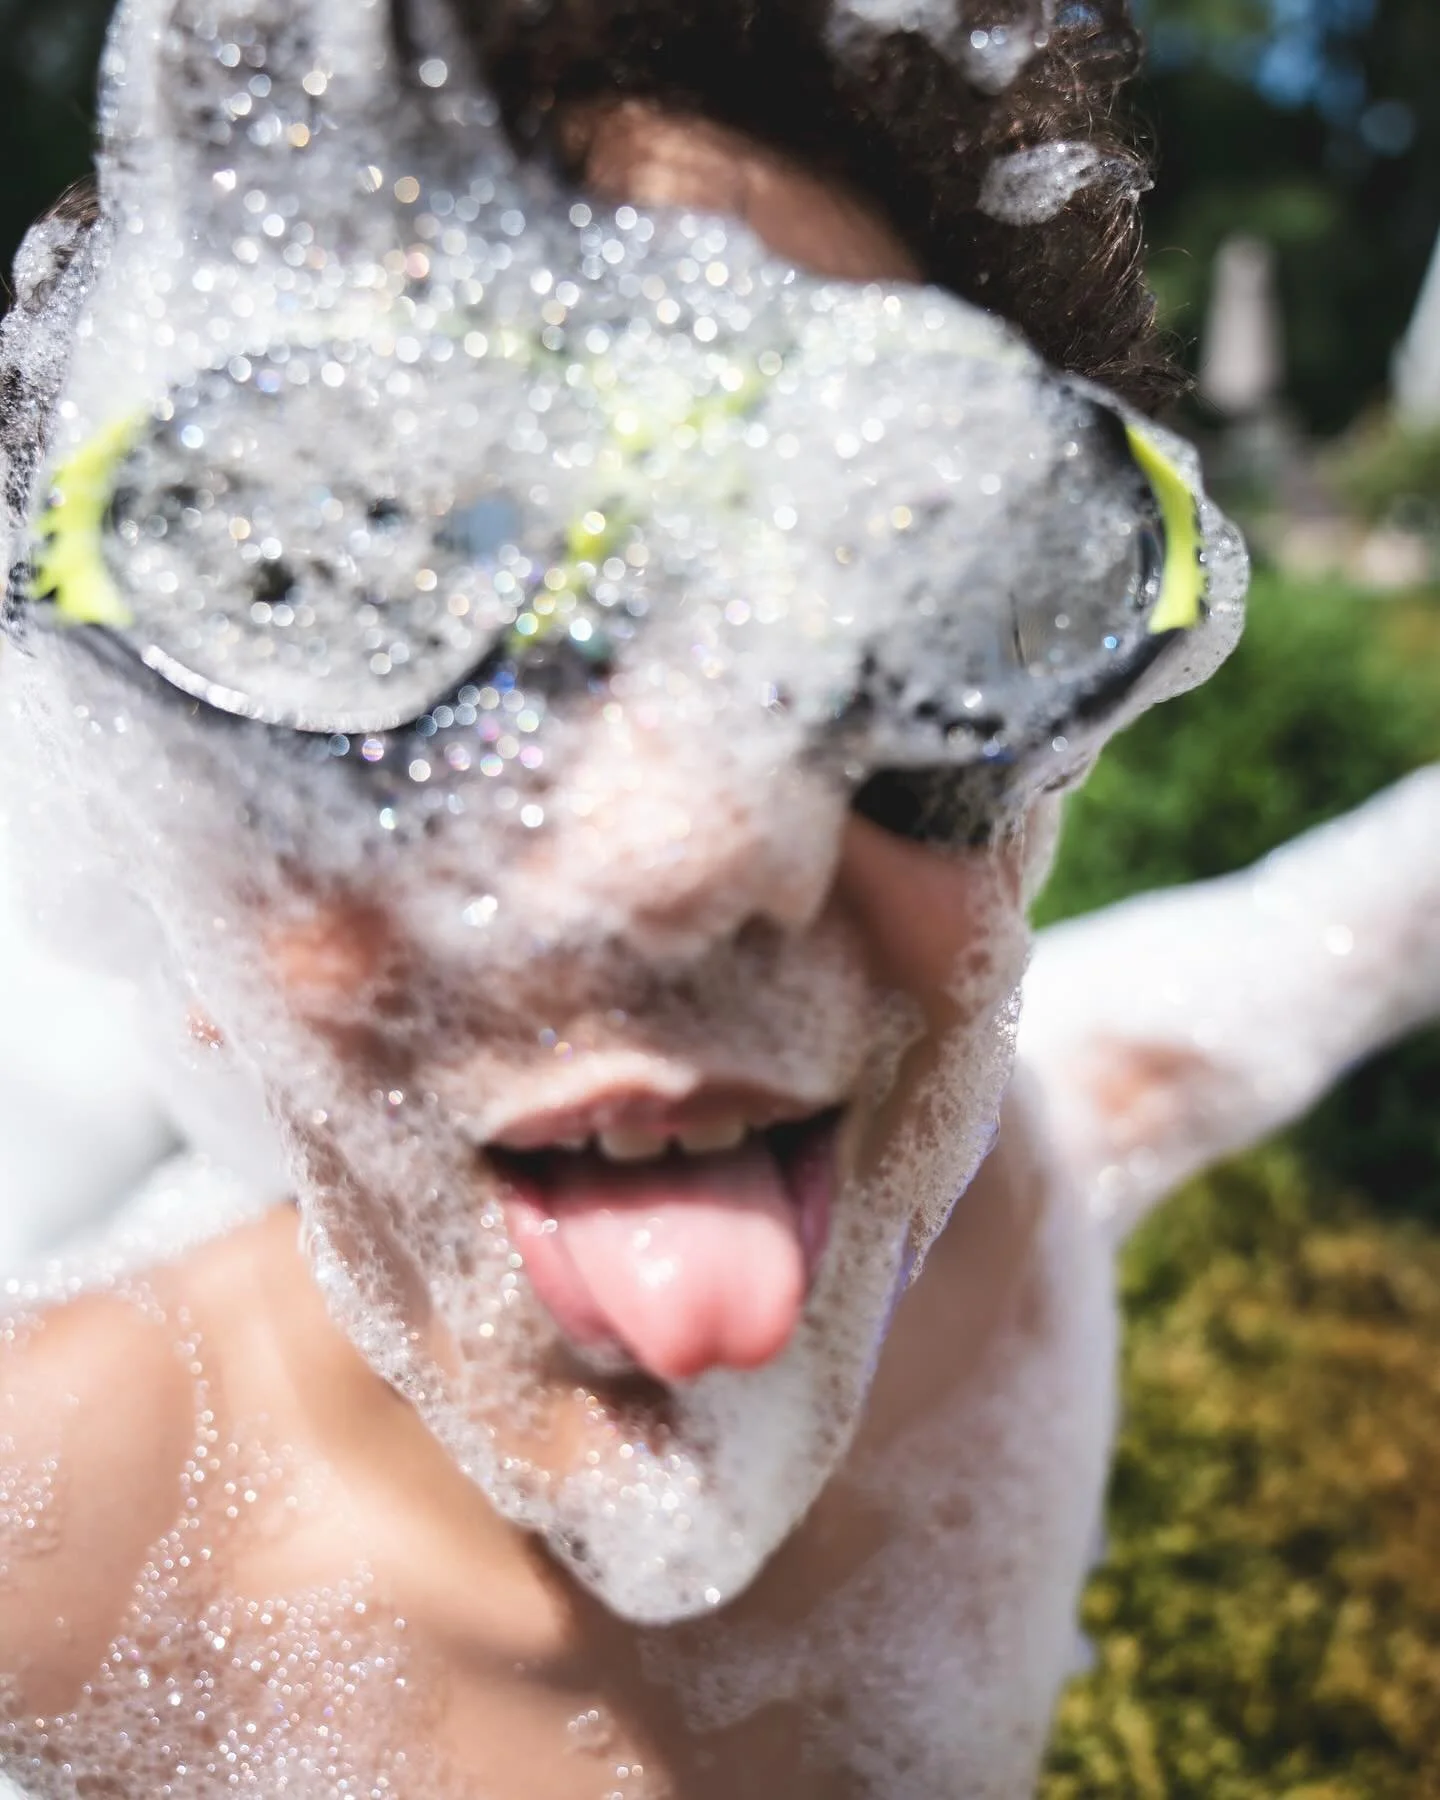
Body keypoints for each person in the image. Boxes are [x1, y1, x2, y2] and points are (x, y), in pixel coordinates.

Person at [1, 1, 1432, 1796]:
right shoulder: (47, 1557)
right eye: (383, 627)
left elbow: (1303, 961)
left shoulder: (995, 1252)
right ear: (155, 863)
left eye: (895, 612)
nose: (703, 846)